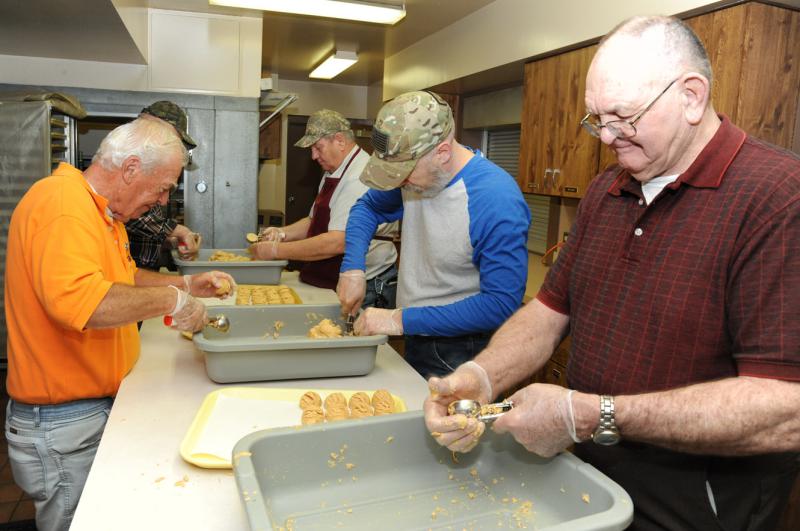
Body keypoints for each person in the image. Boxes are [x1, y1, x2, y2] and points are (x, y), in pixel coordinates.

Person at [423, 16, 800, 531]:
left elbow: (786, 406)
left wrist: (590, 414)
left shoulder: (779, 198)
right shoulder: (607, 189)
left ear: (691, 96)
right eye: (596, 118)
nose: (605, 136)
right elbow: (550, 310)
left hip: (694, 508)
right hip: (589, 483)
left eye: (623, 117)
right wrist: (481, 377)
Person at [4, 117, 236, 531]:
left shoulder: (102, 214)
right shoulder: (63, 206)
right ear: (130, 168)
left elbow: (121, 280)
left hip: (85, 411)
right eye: (163, 187)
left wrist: (185, 282)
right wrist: (172, 300)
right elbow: (84, 303)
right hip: (64, 422)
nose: (164, 202)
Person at [337, 91, 530, 377]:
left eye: (405, 172)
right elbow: (366, 208)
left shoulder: (495, 198)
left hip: (464, 350)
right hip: (417, 332)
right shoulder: (415, 181)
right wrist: (352, 268)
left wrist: (399, 319)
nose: (400, 182)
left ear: (442, 152)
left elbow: (500, 304)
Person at [249, 109, 399, 308]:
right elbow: (313, 220)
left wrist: (276, 251)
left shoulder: (360, 176)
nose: (313, 156)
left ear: (340, 141)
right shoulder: (333, 171)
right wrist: (282, 233)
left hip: (369, 283)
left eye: (318, 148)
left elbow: (337, 241)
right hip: (338, 275)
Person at [125, 101, 201, 271]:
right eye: (173, 138)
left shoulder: (151, 160)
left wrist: (167, 241)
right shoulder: (131, 154)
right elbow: (127, 212)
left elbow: (141, 226)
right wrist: (179, 230)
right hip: (129, 269)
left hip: (140, 269)